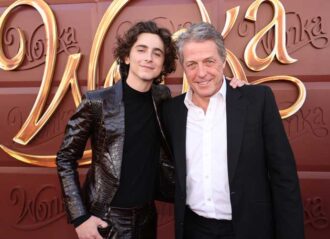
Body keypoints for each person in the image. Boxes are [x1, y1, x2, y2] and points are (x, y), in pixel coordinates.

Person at [162, 22, 305, 239]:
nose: (201, 73)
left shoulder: (257, 101)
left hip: (249, 229)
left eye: (209, 61)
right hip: (193, 229)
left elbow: (283, 177)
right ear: (183, 66)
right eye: (192, 64)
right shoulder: (172, 111)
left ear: (223, 61)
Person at [56, 21, 177, 239]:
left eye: (157, 53)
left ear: (163, 63)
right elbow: (65, 158)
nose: (149, 57)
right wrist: (80, 218)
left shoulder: (163, 98)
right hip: (106, 220)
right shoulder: (97, 102)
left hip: (148, 218)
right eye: (141, 50)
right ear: (127, 56)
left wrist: (233, 87)